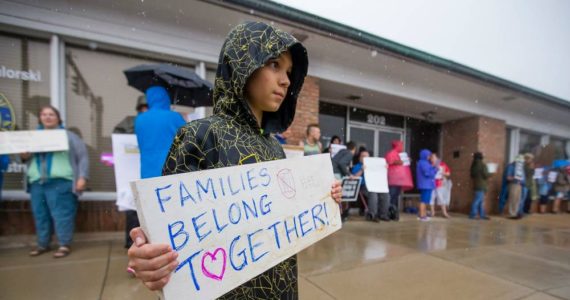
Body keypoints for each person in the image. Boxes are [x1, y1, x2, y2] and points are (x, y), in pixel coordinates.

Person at [127, 21, 342, 298]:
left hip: (281, 287)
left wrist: (322, 197)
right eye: (274, 64)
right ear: (243, 64)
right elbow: (170, 231)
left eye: (289, 71)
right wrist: (147, 256)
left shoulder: (274, 148)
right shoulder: (201, 136)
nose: (286, 80)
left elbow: (285, 217)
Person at [22, 105, 89, 258]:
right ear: (40, 118)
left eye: (51, 114)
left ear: (58, 118)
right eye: (44, 114)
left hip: (61, 182)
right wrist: (24, 154)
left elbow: (82, 156)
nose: (47, 117)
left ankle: (64, 244)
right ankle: (42, 244)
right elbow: (24, 158)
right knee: (40, 215)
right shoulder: (32, 137)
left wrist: (82, 177)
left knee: (62, 215)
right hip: (37, 183)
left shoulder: (69, 136)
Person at [113, 95, 149, 249]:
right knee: (132, 211)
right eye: (144, 106)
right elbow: (118, 140)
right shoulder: (129, 122)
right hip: (132, 171)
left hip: (149, 171)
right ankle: (131, 242)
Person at [135, 86, 186, 179]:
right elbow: (187, 139)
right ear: (166, 98)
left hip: (147, 171)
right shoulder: (174, 117)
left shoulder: (140, 119)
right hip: (170, 169)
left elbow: (141, 144)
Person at [351, 149, 390, 222]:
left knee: (386, 194)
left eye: (366, 156)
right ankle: (372, 214)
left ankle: (383, 214)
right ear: (359, 158)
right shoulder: (357, 166)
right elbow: (353, 178)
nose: (364, 158)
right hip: (364, 186)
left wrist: (384, 168)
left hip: (376, 185)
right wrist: (361, 170)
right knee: (373, 194)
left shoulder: (374, 165)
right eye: (362, 156)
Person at [385, 140, 414, 221]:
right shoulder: (391, 153)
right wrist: (401, 161)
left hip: (398, 180)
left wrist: (406, 160)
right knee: (391, 196)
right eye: (401, 145)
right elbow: (390, 162)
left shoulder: (399, 154)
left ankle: (394, 213)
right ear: (397, 145)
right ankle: (390, 213)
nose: (402, 147)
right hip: (393, 180)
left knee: (395, 197)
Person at [332, 142, 357, 221]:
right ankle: (339, 215)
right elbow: (342, 163)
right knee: (339, 196)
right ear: (354, 149)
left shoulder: (342, 151)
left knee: (333, 195)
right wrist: (349, 174)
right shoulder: (349, 153)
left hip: (331, 171)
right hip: (336, 174)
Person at [416, 149, 438, 221]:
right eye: (428, 155)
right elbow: (428, 173)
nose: (429, 157)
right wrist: (435, 168)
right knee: (423, 201)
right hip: (426, 184)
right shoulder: (423, 163)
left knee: (425, 200)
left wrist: (434, 167)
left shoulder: (423, 162)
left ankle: (423, 215)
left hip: (426, 184)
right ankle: (422, 216)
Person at [469, 152, 490, 220]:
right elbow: (486, 175)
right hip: (482, 185)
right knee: (478, 200)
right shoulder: (482, 165)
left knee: (480, 200)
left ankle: (482, 215)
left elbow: (472, 175)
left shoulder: (473, 165)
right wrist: (490, 173)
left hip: (476, 185)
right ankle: (473, 214)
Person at [429, 153, 451, 218]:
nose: (431, 159)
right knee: (431, 198)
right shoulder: (429, 165)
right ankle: (432, 212)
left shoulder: (442, 164)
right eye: (431, 157)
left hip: (439, 183)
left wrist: (444, 173)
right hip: (431, 184)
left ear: (437, 158)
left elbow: (448, 173)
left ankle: (444, 213)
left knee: (441, 198)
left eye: (433, 157)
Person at [506, 155, 526, 219]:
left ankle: (516, 213)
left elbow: (523, 177)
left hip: (520, 184)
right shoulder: (511, 166)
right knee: (512, 199)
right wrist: (515, 177)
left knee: (518, 199)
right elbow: (508, 177)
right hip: (513, 184)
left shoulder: (520, 168)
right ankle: (512, 213)